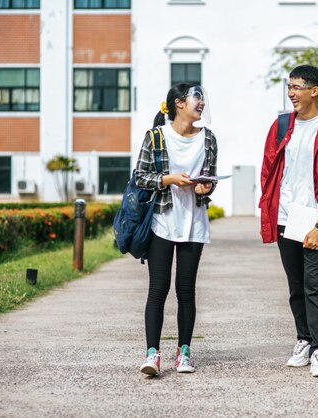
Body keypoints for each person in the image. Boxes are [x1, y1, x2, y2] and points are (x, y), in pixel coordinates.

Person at [259, 65, 318, 378]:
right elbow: (269, 171)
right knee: (296, 286)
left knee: (314, 285)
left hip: (314, 218)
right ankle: (304, 339)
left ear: (315, 90)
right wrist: (268, 208)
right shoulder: (281, 125)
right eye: (289, 86)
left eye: (297, 87)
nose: (291, 93)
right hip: (286, 217)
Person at [135, 83, 217, 376]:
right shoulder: (156, 137)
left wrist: (205, 187)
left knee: (187, 291)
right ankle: (152, 354)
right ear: (179, 103)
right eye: (198, 98)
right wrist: (169, 179)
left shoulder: (208, 139)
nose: (202, 103)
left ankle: (183, 353)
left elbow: (208, 185)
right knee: (158, 289)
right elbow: (141, 177)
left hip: (193, 223)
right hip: (162, 221)